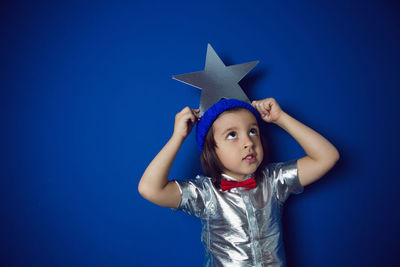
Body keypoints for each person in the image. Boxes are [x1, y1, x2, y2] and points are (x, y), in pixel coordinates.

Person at [138, 97, 339, 267]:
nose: (248, 142)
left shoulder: (274, 181)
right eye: (232, 135)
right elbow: (150, 188)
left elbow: (326, 157)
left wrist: (280, 118)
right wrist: (178, 137)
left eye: (253, 131)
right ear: (211, 151)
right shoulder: (204, 193)